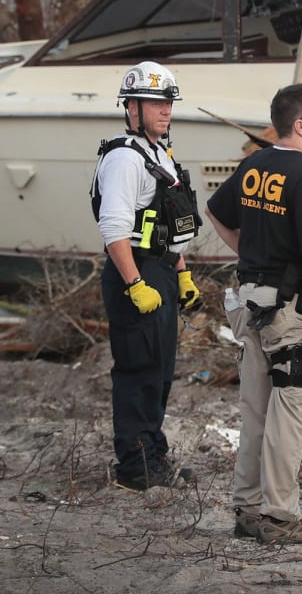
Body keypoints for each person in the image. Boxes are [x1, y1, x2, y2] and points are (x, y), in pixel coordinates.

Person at [206, 81, 302, 545]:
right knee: (289, 411)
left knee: (256, 409)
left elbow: (215, 210)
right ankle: (280, 516)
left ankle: (247, 510)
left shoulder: (253, 166)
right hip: (288, 312)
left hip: (248, 302)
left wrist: (246, 250)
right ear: (301, 125)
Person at [90, 60, 203, 491]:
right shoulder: (124, 158)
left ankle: (155, 454)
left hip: (160, 270)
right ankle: (135, 469)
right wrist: (135, 283)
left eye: (167, 101)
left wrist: (183, 275)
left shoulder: (161, 154)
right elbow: (114, 228)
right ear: (131, 107)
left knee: (160, 370)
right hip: (132, 272)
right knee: (138, 370)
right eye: (155, 102)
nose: (164, 110)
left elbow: (169, 227)